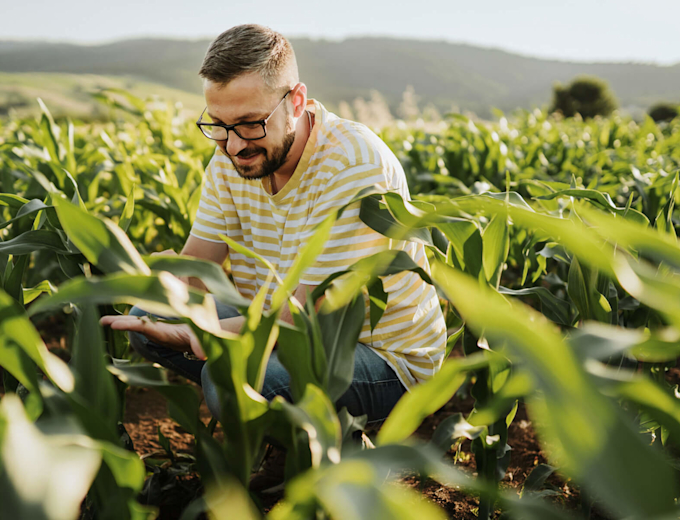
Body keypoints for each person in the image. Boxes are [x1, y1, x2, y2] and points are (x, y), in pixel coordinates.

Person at [100, 24, 447, 427]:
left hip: (378, 356)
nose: (233, 146)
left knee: (230, 378)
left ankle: (340, 443)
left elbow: (306, 319)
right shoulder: (231, 160)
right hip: (278, 319)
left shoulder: (352, 164)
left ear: (296, 102)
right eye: (219, 125)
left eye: (250, 123)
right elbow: (197, 268)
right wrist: (144, 281)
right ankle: (285, 428)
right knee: (149, 319)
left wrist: (203, 332)